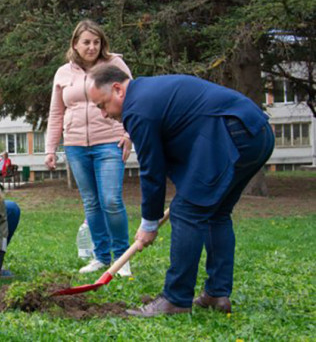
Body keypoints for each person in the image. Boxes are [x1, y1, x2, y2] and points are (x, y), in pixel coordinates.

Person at [88, 65, 274, 316]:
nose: (104, 114)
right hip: (257, 133)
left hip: (231, 133)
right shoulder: (148, 94)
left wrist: (149, 223)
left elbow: (152, 169)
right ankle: (217, 294)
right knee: (216, 214)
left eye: (102, 105)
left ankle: (176, 299)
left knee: (186, 212)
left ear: (118, 89)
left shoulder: (136, 108)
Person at [44, 19, 133, 276]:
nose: (92, 47)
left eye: (96, 42)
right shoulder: (63, 72)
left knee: (111, 200)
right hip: (75, 146)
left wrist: (128, 134)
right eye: (86, 42)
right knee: (91, 203)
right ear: (75, 44)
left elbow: (133, 97)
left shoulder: (114, 65)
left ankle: (121, 258)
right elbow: (56, 111)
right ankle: (102, 257)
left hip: (109, 141)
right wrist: (51, 148)